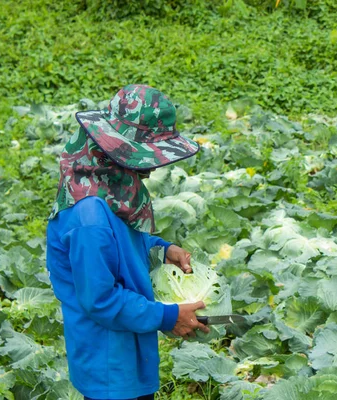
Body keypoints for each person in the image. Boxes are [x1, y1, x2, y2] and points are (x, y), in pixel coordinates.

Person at [46, 84, 209, 400]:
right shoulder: (89, 217)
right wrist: (168, 317)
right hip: (107, 364)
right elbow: (101, 299)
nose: (149, 169)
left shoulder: (108, 187)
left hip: (127, 351)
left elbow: (119, 246)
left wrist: (161, 250)